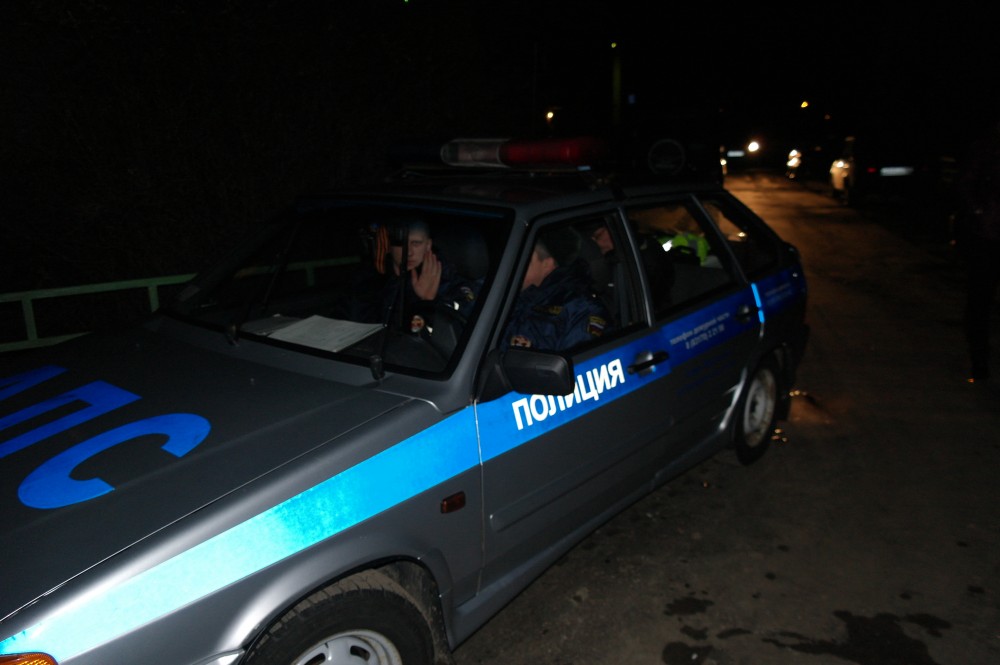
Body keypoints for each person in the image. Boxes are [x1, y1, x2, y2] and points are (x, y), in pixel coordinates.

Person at [349, 219, 478, 331]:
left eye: (416, 243)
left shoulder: (451, 284)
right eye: (401, 244)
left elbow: (448, 338)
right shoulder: (372, 280)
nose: (409, 252)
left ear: (428, 245)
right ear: (389, 246)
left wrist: (427, 302)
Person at [503, 226, 610, 351]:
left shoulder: (580, 309)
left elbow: (575, 359)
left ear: (547, 264)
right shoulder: (505, 295)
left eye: (524, 260)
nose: (514, 267)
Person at [955, 120, 1000, 383]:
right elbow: (965, 185)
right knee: (980, 302)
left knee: (980, 303)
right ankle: (979, 363)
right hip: (986, 239)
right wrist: (980, 212)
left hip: (987, 233)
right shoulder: (986, 149)